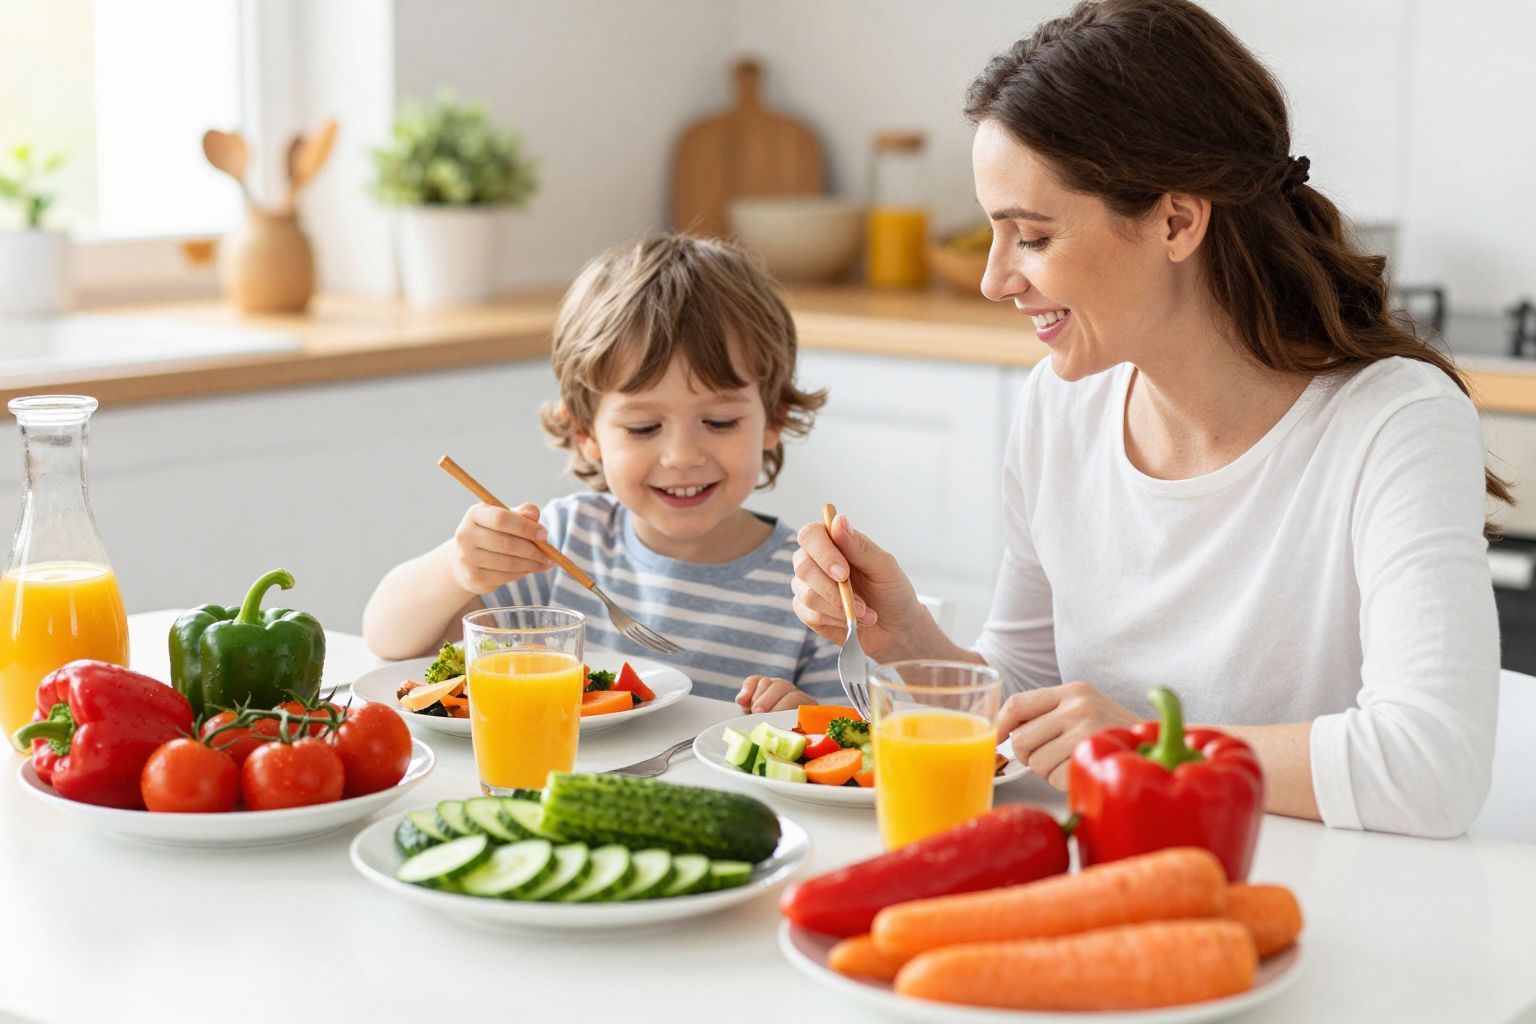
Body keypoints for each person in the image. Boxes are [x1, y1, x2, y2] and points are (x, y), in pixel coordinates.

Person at [788, 0, 1504, 838]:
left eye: (1032, 236)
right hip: (1106, 870)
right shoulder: (1061, 403)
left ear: (1176, 220)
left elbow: (1429, 767)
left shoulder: (1393, 423)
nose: (994, 280)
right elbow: (1032, 696)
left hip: (1317, 909)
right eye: (994, 233)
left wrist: (1149, 743)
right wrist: (906, 636)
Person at [363, 234, 840, 704]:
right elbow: (388, 637)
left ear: (774, 418)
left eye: (719, 421)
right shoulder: (562, 543)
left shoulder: (811, 585)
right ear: (587, 433)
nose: (681, 455)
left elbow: (856, 739)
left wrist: (796, 717)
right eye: (643, 427)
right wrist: (456, 568)